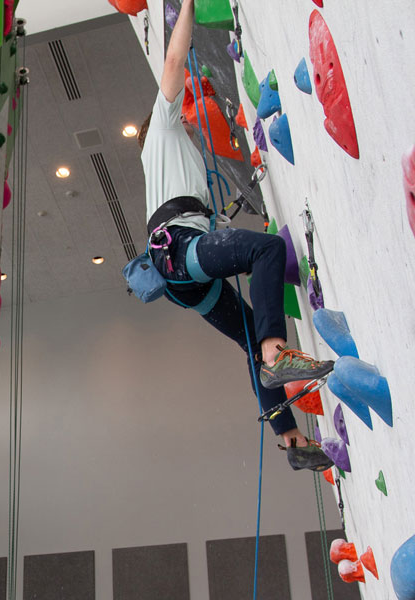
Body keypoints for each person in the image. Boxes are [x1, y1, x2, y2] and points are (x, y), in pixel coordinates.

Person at [138, 0, 334, 471]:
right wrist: (187, 5)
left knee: (247, 336)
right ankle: (276, 352)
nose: (188, 116)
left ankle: (289, 439)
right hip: (180, 254)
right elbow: (173, 62)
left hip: (183, 275)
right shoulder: (161, 131)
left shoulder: (177, 168)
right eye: (182, 113)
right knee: (267, 250)